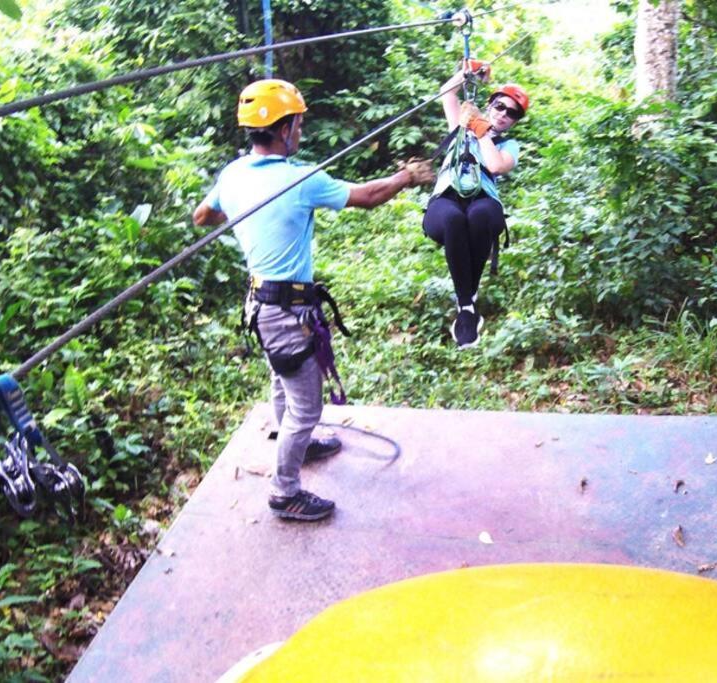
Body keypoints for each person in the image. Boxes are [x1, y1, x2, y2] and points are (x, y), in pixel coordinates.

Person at [193, 79, 434, 521]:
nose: (301, 132)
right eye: (298, 124)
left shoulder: (233, 174)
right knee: (307, 407)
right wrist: (406, 177)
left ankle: (296, 446)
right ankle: (284, 492)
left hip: (262, 307)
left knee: (283, 382)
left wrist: (246, 210)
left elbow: (202, 216)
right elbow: (368, 196)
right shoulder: (299, 179)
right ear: (283, 130)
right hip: (285, 312)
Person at [423, 69, 530, 348]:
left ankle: (466, 309)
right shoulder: (459, 125)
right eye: (500, 106)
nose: (504, 113)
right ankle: (467, 304)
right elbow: (448, 92)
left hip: (484, 200)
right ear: (490, 103)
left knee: (479, 214)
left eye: (512, 113)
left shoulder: (509, 145)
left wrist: (480, 128)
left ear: (515, 122)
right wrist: (467, 72)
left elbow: (495, 165)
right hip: (446, 198)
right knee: (454, 219)